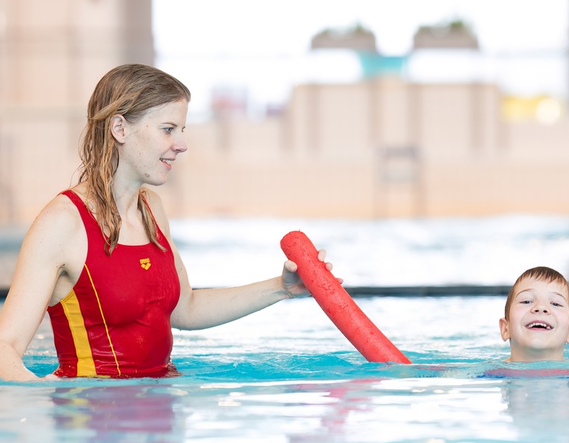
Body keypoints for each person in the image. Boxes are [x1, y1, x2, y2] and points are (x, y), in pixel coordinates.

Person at [0, 63, 332, 382]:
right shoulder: (62, 223)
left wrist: (281, 288)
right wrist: (42, 399)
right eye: (168, 130)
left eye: (181, 130)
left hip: (158, 410)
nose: (182, 144)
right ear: (120, 129)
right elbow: (5, 347)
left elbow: (184, 308)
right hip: (92, 421)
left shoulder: (151, 210)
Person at [499, 266, 569, 362]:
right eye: (526, 301)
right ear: (505, 328)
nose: (541, 307)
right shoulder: (488, 373)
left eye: (555, 304)